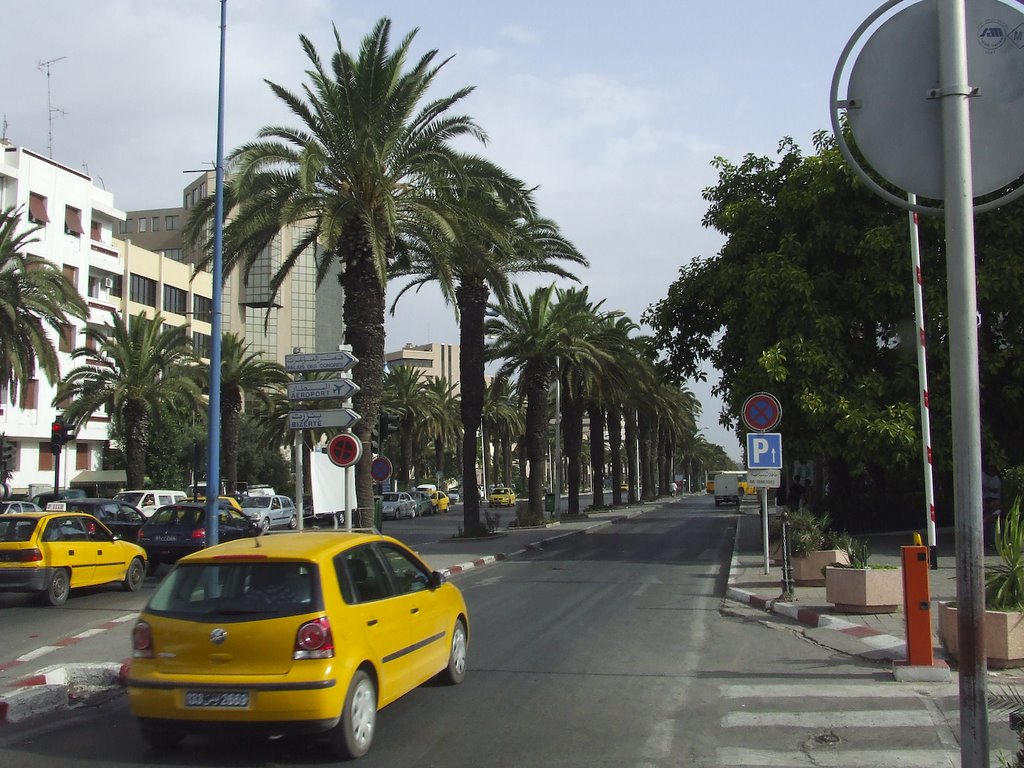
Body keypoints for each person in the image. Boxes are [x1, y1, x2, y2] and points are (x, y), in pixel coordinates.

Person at [983, 462, 1002, 548]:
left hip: (993, 499)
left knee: (991, 519)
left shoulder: (995, 479)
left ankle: (992, 541)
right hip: (987, 499)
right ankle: (988, 541)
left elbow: (995, 490)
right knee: (988, 521)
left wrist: (986, 488)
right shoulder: (985, 476)